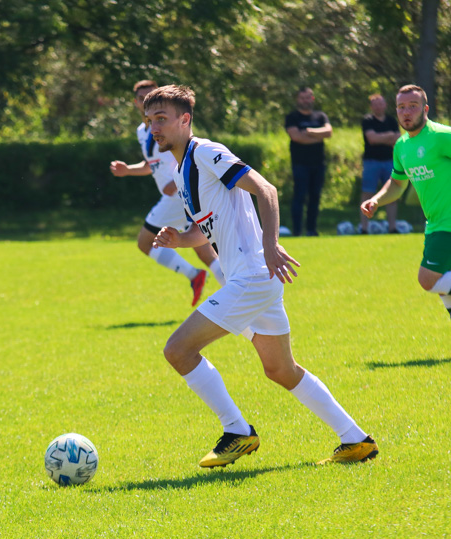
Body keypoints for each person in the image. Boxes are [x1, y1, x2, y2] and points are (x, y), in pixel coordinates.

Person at [145, 84, 376, 467]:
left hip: (252, 277)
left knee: (178, 350)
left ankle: (237, 430)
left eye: (162, 119)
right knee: (281, 370)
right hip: (252, 279)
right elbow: (207, 228)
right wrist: (178, 240)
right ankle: (357, 440)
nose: (154, 128)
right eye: (149, 120)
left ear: (184, 120)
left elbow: (265, 190)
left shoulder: (206, 152)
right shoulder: (183, 166)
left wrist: (271, 244)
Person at [110, 80, 225, 306]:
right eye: (141, 98)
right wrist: (127, 171)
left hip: (177, 197)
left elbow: (185, 154)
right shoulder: (144, 132)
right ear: (136, 103)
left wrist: (179, 180)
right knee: (204, 249)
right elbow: (151, 164)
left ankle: (196, 276)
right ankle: (235, 289)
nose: (145, 100)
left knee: (146, 242)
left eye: (150, 95)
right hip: (178, 197)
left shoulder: (170, 128)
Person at [362, 84, 451, 320]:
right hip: (435, 223)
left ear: (426, 109)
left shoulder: (442, 136)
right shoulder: (401, 146)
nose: (406, 112)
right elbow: (397, 185)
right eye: (401, 107)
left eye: (413, 106)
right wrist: (376, 200)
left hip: (447, 224)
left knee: (428, 279)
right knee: (445, 288)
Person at [285, 87, 333, 236]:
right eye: (302, 98)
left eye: (308, 97)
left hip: (318, 163)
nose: (305, 100)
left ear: (312, 98)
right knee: (299, 197)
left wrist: (309, 132)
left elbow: (329, 132)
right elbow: (296, 137)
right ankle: (297, 231)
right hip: (300, 164)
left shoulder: (320, 116)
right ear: (297, 100)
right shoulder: (292, 117)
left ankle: (311, 230)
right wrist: (318, 136)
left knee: (315, 197)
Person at [359, 94, 400, 234]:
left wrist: (382, 137)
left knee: (391, 194)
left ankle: (392, 227)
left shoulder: (391, 120)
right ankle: (364, 228)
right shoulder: (368, 120)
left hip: (389, 161)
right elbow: (372, 139)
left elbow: (398, 139)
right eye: (375, 104)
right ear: (371, 106)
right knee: (367, 193)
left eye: (381, 103)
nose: (378, 106)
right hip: (371, 162)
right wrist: (389, 136)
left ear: (385, 105)